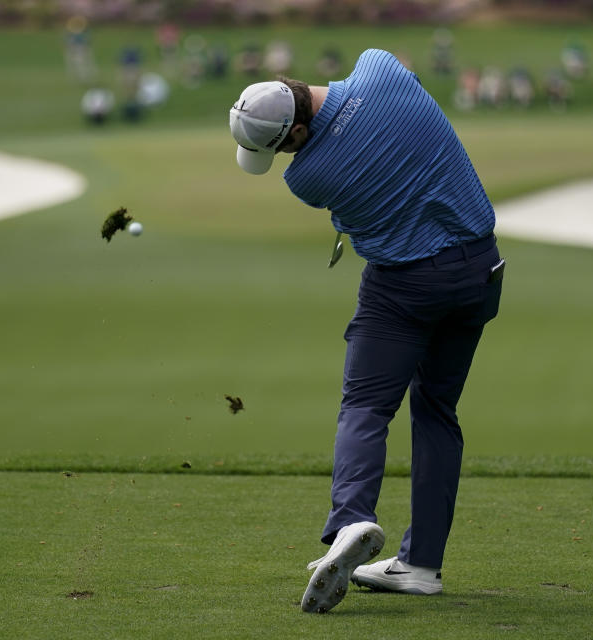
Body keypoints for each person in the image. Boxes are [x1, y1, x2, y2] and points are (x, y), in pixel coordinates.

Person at [228, 48, 504, 614]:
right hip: (479, 271)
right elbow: (395, 91)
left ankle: (352, 520)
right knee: (436, 412)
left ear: (297, 131)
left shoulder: (307, 177)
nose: (282, 159)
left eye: (278, 148)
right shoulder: (378, 67)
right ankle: (421, 565)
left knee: (366, 406)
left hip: (403, 289)